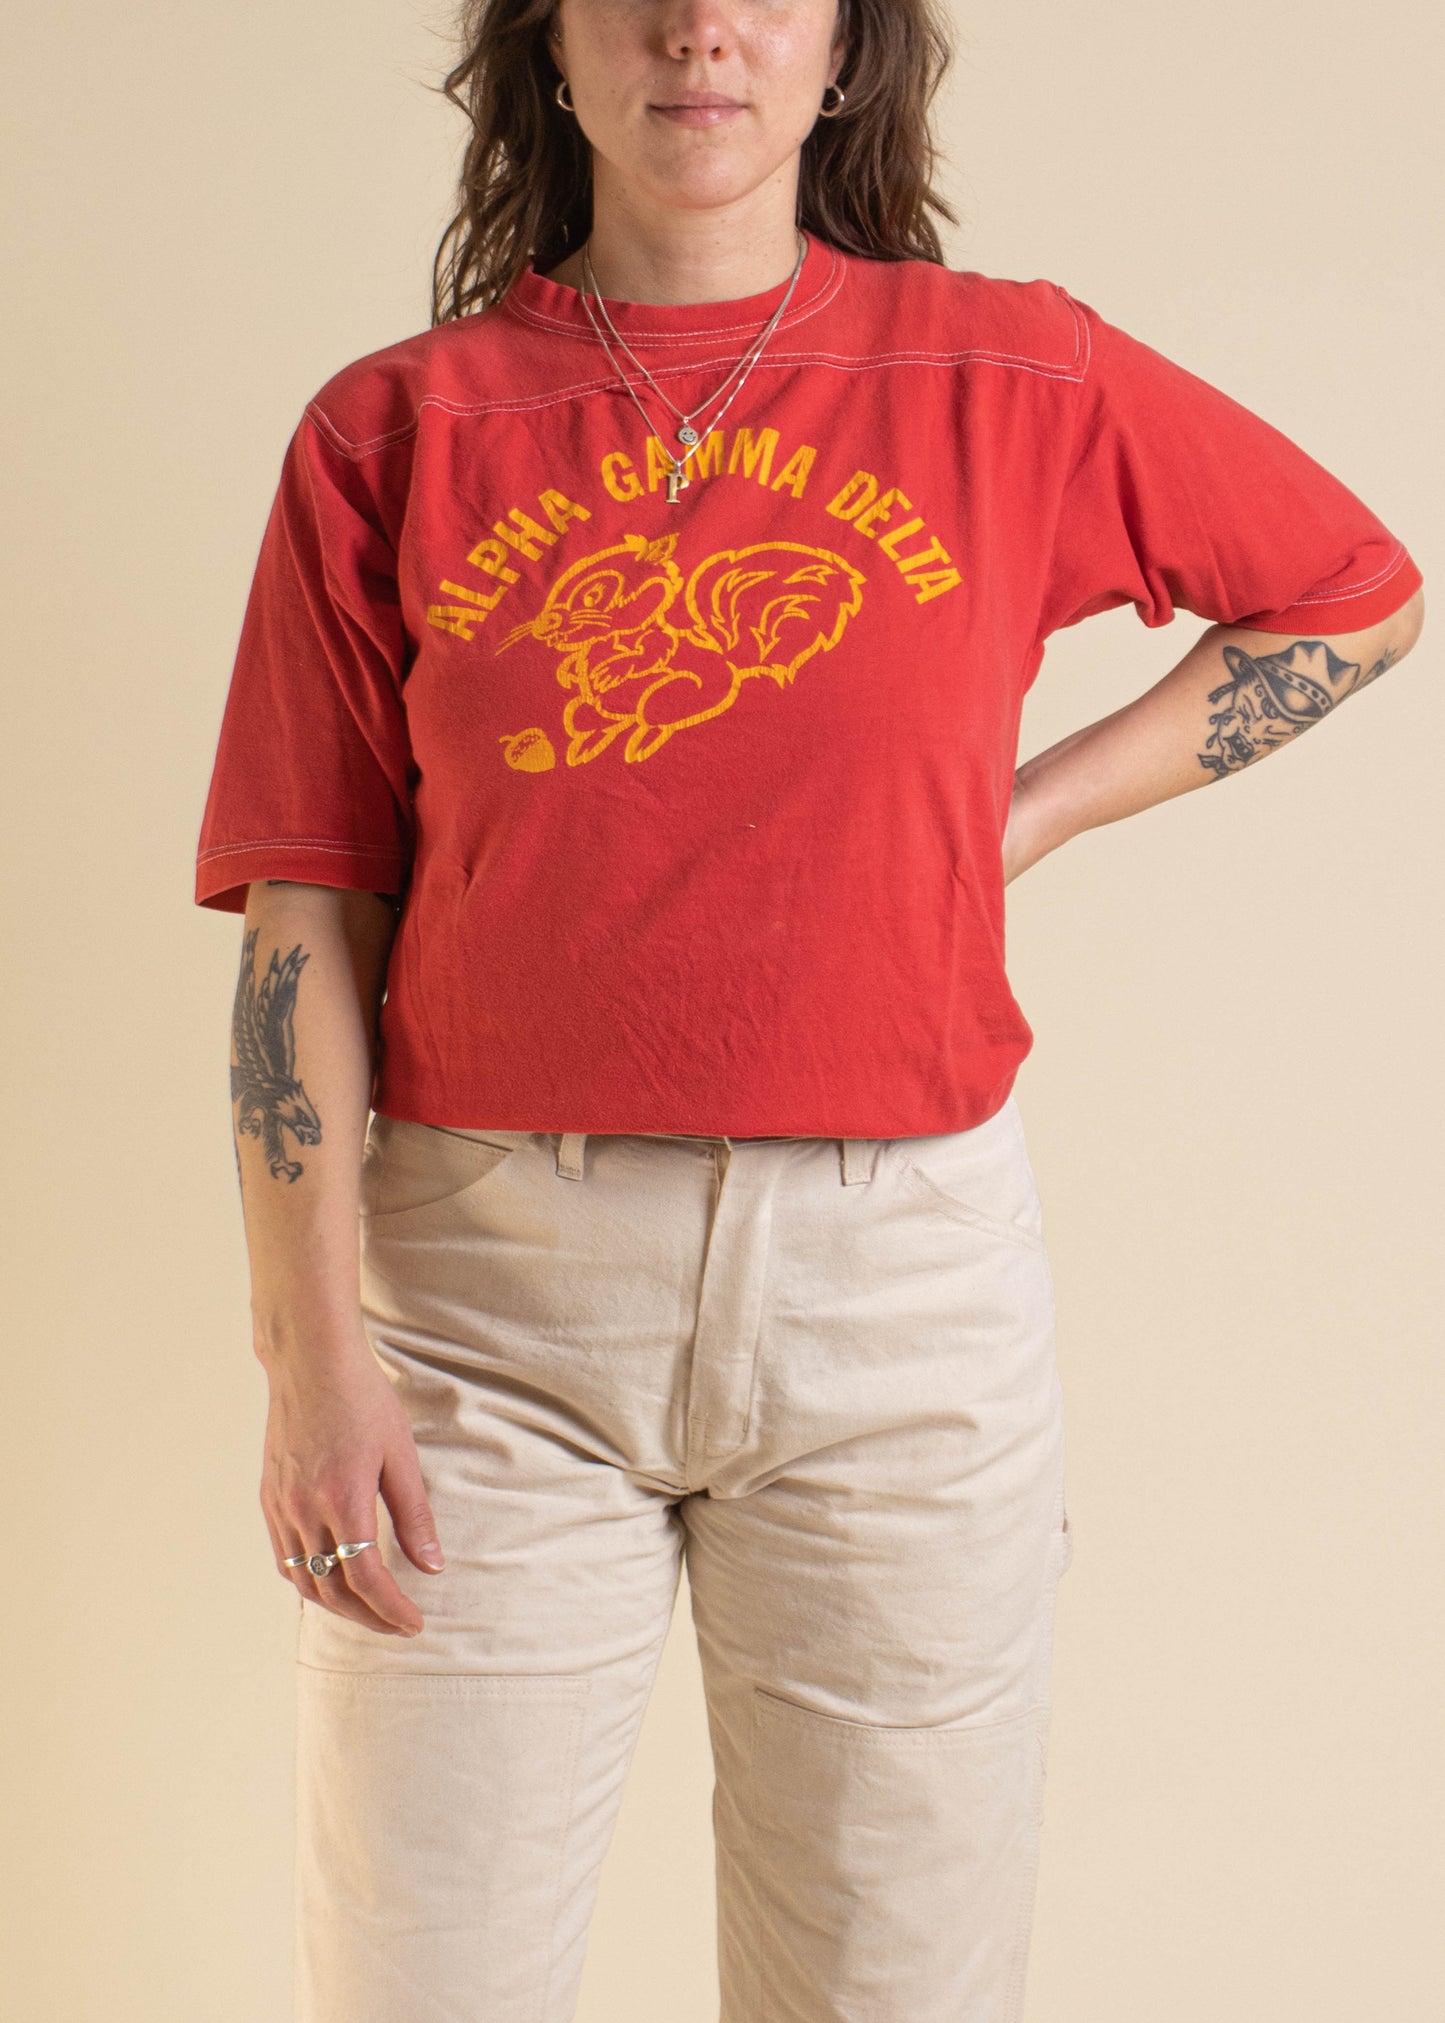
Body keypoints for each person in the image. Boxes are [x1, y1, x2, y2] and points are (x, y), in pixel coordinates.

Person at [194, 3, 1425, 2019]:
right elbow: (303, 916)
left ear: (846, 48)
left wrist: (1017, 817)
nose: (699, 27)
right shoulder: (394, 431)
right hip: (491, 1314)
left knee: (894, 1990)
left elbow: (1355, 592)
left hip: (900, 1301)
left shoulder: (1006, 374)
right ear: (550, 45)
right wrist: (310, 1359)